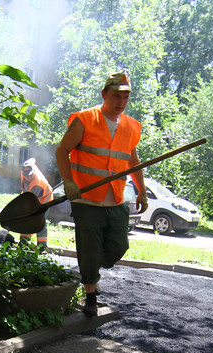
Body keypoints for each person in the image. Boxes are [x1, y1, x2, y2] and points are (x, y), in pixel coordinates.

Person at [55, 72, 149, 316]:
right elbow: (62, 150)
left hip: (115, 198)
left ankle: (91, 271)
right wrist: (68, 182)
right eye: (116, 96)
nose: (121, 101)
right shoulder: (86, 119)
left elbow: (133, 161)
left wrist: (142, 192)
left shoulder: (130, 126)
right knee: (88, 248)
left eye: (125, 97)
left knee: (119, 246)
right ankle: (90, 296)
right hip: (86, 199)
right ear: (104, 94)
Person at [19, 157, 52, 249]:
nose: (28, 178)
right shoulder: (24, 173)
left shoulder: (38, 184)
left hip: (45, 201)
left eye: (30, 175)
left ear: (33, 171)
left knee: (39, 221)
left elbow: (32, 200)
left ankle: (42, 247)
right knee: (27, 220)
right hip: (31, 198)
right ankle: (23, 243)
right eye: (26, 176)